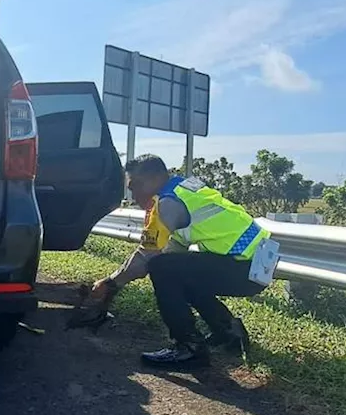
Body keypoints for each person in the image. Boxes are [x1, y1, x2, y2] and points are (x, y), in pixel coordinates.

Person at [91, 155, 275, 367]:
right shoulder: (184, 190)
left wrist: (111, 283)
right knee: (175, 270)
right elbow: (168, 252)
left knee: (162, 268)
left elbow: (147, 256)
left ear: (158, 178)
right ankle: (229, 332)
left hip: (245, 266)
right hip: (258, 263)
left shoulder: (168, 202)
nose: (134, 195)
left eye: (136, 186)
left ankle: (189, 347)